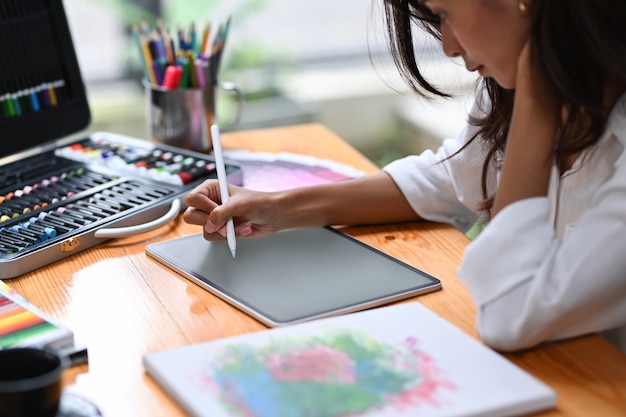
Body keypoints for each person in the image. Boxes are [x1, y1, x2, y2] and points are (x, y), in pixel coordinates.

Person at [183, 0, 626, 354]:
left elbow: (507, 317)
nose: (449, 45)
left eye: (446, 14)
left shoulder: (533, 94)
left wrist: (536, 96)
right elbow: (452, 177)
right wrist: (277, 207)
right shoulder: (515, 91)